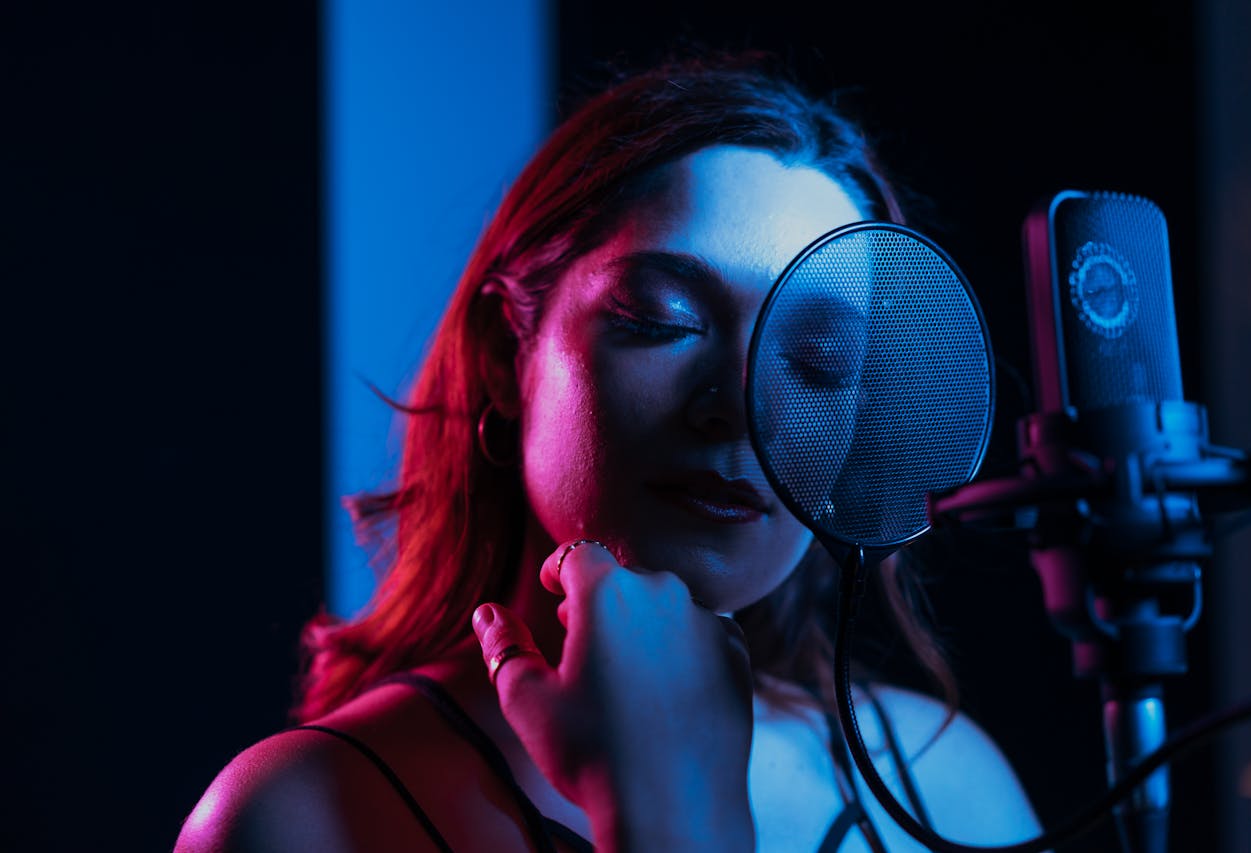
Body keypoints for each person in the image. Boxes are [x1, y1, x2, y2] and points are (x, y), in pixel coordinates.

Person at [176, 56, 1042, 852]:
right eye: (660, 321)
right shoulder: (300, 816)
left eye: (817, 364)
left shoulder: (948, 791)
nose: (741, 410)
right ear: (503, 357)